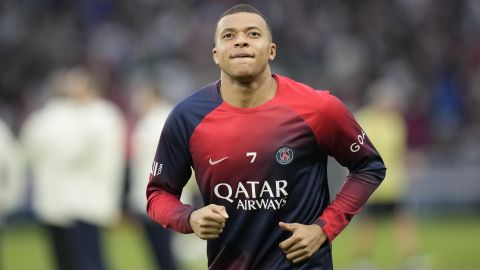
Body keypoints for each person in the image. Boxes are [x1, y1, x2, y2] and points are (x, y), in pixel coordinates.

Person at [146, 4, 386, 270]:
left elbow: (369, 166)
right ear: (216, 55)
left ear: (271, 50)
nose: (240, 41)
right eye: (229, 36)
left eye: (252, 34)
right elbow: (158, 194)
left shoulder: (319, 108)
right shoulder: (187, 116)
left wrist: (324, 228)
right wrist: (189, 218)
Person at [21, 67, 126, 270]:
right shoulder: (86, 114)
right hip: (79, 198)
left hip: (88, 197)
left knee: (88, 258)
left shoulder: (98, 114)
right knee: (80, 257)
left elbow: (76, 154)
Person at [350, 77, 424, 269]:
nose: (391, 102)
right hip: (370, 182)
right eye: (387, 98)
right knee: (367, 222)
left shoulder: (396, 121)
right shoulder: (364, 118)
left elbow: (399, 150)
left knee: (403, 220)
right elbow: (356, 149)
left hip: (393, 182)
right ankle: (362, 260)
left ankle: (410, 258)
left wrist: (411, 162)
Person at [127, 78, 179, 270]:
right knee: (157, 252)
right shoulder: (147, 121)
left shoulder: (166, 119)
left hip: (163, 197)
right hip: (150, 196)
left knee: (164, 251)